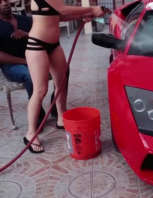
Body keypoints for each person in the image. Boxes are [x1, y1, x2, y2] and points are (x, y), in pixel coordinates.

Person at [24, 0, 106, 153]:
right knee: (40, 90)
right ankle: (30, 133)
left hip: (54, 45)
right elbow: (63, 10)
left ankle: (61, 118)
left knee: (61, 82)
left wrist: (84, 14)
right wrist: (92, 9)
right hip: (36, 45)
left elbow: (59, 16)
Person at [0, 0, 48, 125]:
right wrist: (25, 61)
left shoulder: (24, 19)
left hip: (34, 57)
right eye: (0, 2)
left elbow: (42, 36)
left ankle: (55, 107)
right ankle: (37, 112)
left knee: (63, 70)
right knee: (30, 75)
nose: (4, 3)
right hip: (12, 65)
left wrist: (26, 34)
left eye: (6, 0)